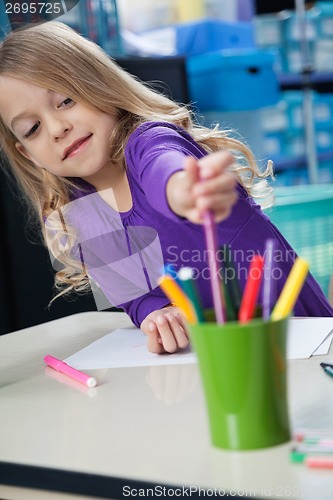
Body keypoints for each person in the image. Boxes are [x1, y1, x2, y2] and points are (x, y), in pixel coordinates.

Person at [0, 22, 332, 354]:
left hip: (296, 340)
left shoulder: (150, 140)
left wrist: (184, 190)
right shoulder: (80, 213)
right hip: (211, 361)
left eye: (66, 100)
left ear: (99, 83)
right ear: (27, 153)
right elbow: (136, 296)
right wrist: (157, 314)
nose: (58, 128)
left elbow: (165, 169)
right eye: (32, 128)